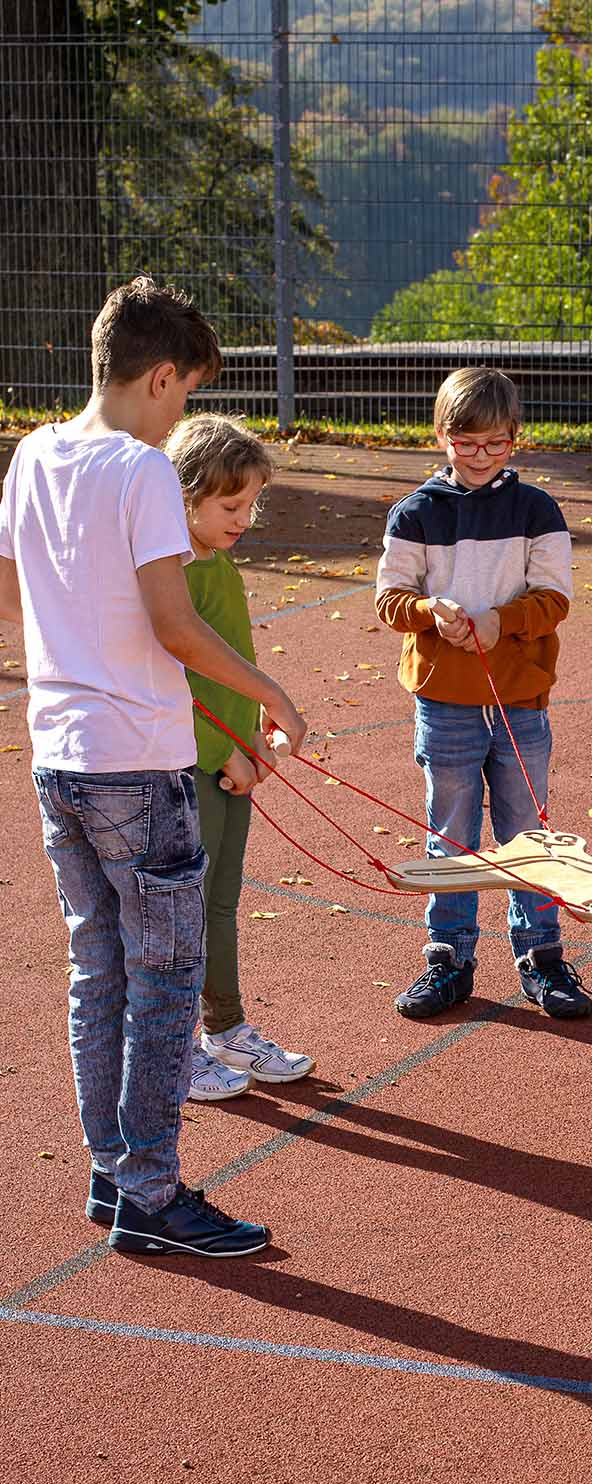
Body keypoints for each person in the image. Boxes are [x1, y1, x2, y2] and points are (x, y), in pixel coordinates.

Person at [0, 276, 306, 1257]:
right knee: (165, 983)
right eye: (186, 394)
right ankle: (152, 1192)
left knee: (98, 975)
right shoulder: (138, 470)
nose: (179, 418)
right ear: (162, 376)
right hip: (137, 764)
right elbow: (175, 626)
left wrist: (85, 650)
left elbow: (14, 594)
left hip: (60, 755)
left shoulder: (33, 453)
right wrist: (271, 693)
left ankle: (113, 1176)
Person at [375, 366, 592, 1021]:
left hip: (520, 695)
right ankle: (448, 958)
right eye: (466, 442)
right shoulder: (415, 513)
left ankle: (542, 957)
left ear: (514, 439)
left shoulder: (537, 510)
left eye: (494, 443)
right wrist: (428, 610)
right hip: (444, 697)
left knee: (527, 832)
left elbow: (555, 597)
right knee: (451, 834)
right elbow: (390, 599)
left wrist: (504, 621)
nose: (479, 456)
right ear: (441, 437)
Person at [164, 413, 315, 1102]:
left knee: (221, 902)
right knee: (185, 911)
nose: (245, 520)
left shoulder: (219, 564)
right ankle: (177, 1047)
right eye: (231, 506)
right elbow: (174, 677)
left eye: (252, 505)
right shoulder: (171, 576)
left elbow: (233, 664)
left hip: (231, 761)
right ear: (184, 494)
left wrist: (253, 736)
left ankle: (224, 1027)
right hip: (191, 766)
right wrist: (225, 751)